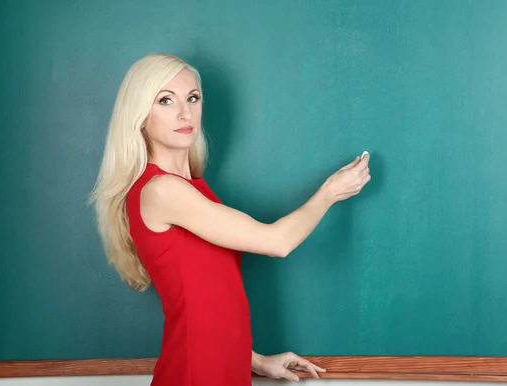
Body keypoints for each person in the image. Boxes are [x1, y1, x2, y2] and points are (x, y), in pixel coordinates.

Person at [90, 53, 371, 385]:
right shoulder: (161, 190)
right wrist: (330, 192)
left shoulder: (192, 189)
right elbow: (276, 242)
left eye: (193, 98)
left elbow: (209, 300)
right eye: (165, 100)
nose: (184, 112)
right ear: (140, 116)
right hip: (195, 374)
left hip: (223, 370)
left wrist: (256, 361)